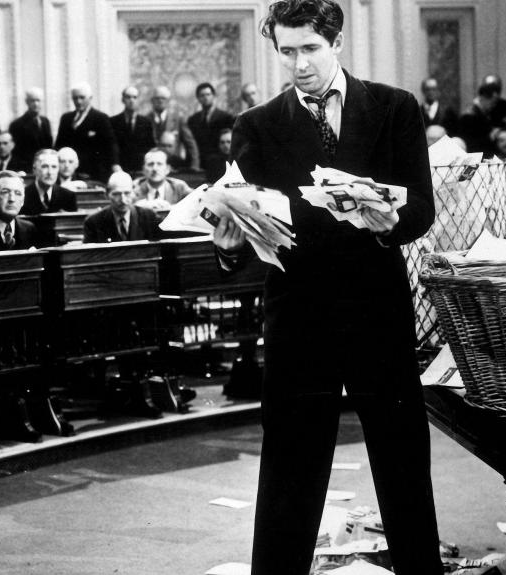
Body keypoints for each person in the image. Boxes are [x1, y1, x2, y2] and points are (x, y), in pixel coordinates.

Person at [216, 1, 442, 573]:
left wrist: (396, 223)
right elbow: (249, 228)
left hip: (377, 311)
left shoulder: (393, 108)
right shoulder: (257, 126)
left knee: (402, 464)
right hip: (300, 318)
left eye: (309, 49)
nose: (298, 64)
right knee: (290, 468)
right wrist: (227, 245)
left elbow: (421, 207)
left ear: (335, 42)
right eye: (286, 52)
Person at [54, 82, 118, 182]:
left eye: (82, 97)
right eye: (75, 98)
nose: (78, 101)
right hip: (70, 173)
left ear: (90, 98)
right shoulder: (66, 119)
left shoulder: (101, 118)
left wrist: (115, 165)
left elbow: (111, 145)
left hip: (94, 173)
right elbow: (59, 145)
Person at [83, 171, 159, 243]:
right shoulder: (93, 223)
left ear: (134, 193)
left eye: (127, 193)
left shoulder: (149, 218)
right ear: (107, 195)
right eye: (116, 194)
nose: (123, 200)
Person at [0, 170, 38, 251]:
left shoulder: (29, 229)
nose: (12, 199)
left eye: (17, 193)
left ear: (23, 201)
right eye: (5, 192)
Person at [187, 82, 236, 176]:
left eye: (208, 94)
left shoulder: (225, 117)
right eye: (202, 95)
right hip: (200, 163)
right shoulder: (193, 120)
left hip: (219, 163)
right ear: (198, 98)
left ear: (213, 96)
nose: (205, 98)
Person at [147, 86, 200, 171]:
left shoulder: (178, 119)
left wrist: (194, 166)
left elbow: (190, 144)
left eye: (163, 98)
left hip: (174, 166)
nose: (160, 101)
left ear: (168, 101)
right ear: (152, 101)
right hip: (153, 166)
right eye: (157, 98)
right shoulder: (145, 120)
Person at [110, 86, 155, 173]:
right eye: (128, 97)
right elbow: (111, 146)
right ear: (122, 100)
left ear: (138, 100)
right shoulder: (113, 122)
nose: (131, 100)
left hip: (140, 169)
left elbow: (151, 146)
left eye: (135, 97)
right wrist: (115, 165)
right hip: (120, 169)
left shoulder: (146, 122)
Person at [21, 148, 76, 216]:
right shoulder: (22, 196)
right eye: (45, 166)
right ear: (34, 169)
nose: (50, 172)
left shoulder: (68, 196)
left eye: (54, 167)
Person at [8, 88, 53, 166]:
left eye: (38, 100)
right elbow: (16, 152)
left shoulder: (45, 121)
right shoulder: (17, 124)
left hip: (45, 165)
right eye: (32, 101)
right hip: (27, 166)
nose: (36, 104)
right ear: (27, 102)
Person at [457, 82, 498, 156]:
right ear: (484, 98)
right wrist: (490, 137)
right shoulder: (469, 116)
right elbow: (470, 142)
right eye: (492, 102)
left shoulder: (483, 113)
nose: (493, 106)